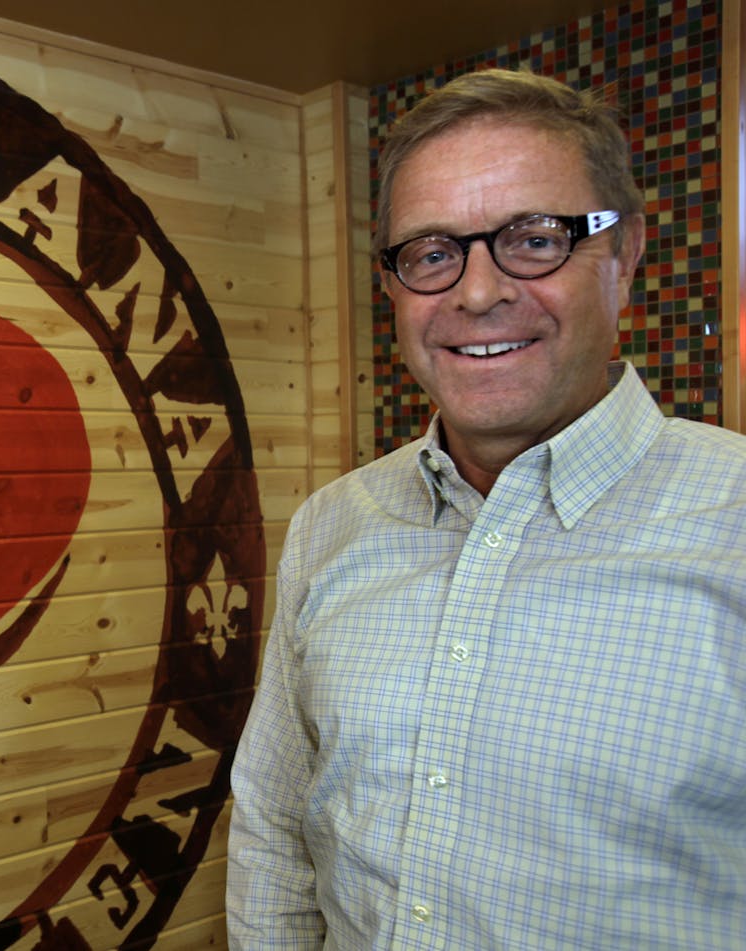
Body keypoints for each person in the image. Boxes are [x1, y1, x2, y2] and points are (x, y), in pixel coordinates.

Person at [226, 68, 746, 949]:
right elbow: (276, 829)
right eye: (432, 252)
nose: (475, 293)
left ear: (623, 258)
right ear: (393, 286)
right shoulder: (331, 525)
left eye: (534, 239)